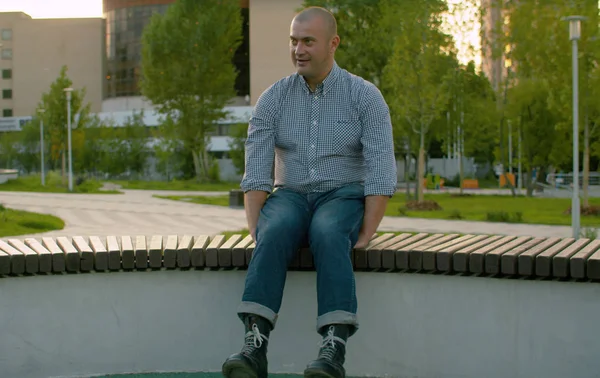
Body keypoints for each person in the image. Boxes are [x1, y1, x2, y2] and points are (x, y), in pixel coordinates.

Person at [221, 6, 397, 378]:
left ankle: (333, 347)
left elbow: (381, 168)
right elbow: (256, 171)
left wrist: (367, 231)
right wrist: (258, 228)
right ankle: (255, 344)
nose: (298, 50)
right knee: (278, 225)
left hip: (342, 194)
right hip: (292, 194)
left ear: (333, 44)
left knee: (329, 231)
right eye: (294, 41)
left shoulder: (365, 97)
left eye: (308, 42)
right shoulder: (273, 98)